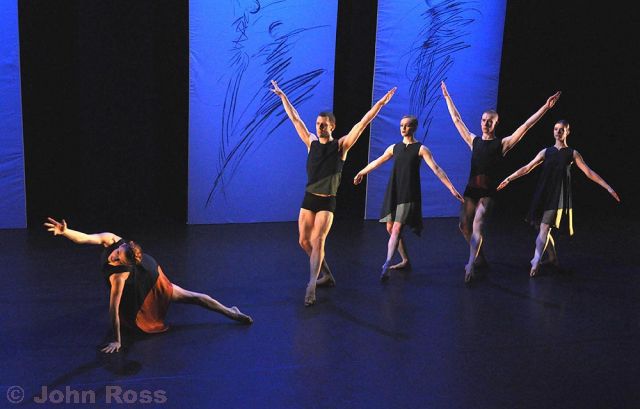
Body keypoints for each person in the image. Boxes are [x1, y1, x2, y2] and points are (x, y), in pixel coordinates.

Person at [44, 217, 252, 353]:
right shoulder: (112, 239)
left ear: (125, 264)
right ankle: (230, 311)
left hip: (152, 278)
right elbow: (85, 238)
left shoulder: (119, 277)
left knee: (191, 297)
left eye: (118, 258)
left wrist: (117, 340)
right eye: (117, 253)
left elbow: (113, 309)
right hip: (142, 269)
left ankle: (231, 312)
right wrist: (65, 232)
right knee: (189, 297)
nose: (114, 256)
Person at [270, 80, 396, 306]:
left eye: (324, 125)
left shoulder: (341, 146)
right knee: (303, 241)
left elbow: (362, 123)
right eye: (318, 124)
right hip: (309, 198)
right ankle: (326, 274)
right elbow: (295, 118)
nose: (320, 127)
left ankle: (311, 285)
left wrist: (380, 104)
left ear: (332, 127)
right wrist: (283, 97)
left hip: (327, 203)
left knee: (318, 241)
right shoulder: (311, 142)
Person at [440, 81, 561, 283]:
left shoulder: (502, 144)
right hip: (471, 189)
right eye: (483, 120)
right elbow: (457, 120)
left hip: (488, 192)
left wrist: (545, 108)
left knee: (477, 224)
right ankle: (479, 257)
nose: (486, 123)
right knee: (463, 226)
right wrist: (447, 97)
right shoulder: (474, 141)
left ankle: (471, 264)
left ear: (496, 124)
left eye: (490, 121)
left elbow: (526, 126)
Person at [497, 120, 620, 276]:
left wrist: (608, 187)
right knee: (540, 227)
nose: (558, 132)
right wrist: (509, 178)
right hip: (544, 193)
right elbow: (527, 167)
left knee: (544, 227)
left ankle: (536, 261)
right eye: (556, 129)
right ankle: (552, 258)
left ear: (567, 132)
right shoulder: (546, 152)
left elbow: (588, 172)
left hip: (558, 195)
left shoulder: (572, 153)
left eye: (562, 129)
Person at [353, 115, 463, 281]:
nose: (403, 128)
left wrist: (451, 188)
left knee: (397, 229)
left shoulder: (421, 149)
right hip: (394, 191)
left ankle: (386, 265)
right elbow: (377, 161)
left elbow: (436, 169)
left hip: (409, 193)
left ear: (414, 127)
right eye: (401, 125)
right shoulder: (394, 148)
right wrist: (362, 172)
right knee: (390, 228)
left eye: (407, 125)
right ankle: (405, 260)